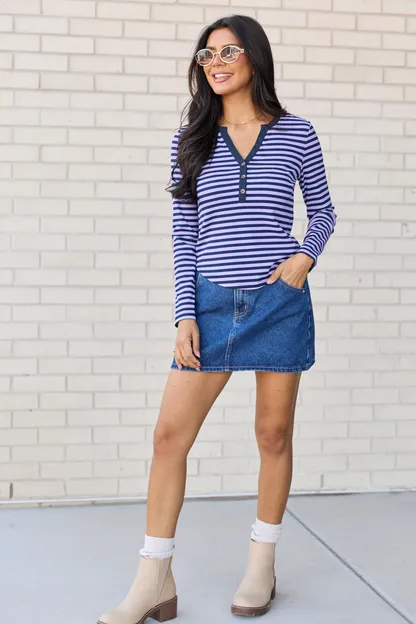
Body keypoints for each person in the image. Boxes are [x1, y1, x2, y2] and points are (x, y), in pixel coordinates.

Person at [97, 13, 336, 624]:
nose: (216, 63)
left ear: (255, 56)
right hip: (208, 304)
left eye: (228, 51)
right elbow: (185, 234)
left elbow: (323, 212)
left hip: (277, 305)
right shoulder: (191, 139)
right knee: (168, 437)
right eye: (207, 55)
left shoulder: (296, 132)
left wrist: (304, 258)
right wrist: (185, 314)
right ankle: (153, 577)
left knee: (273, 435)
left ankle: (262, 564)